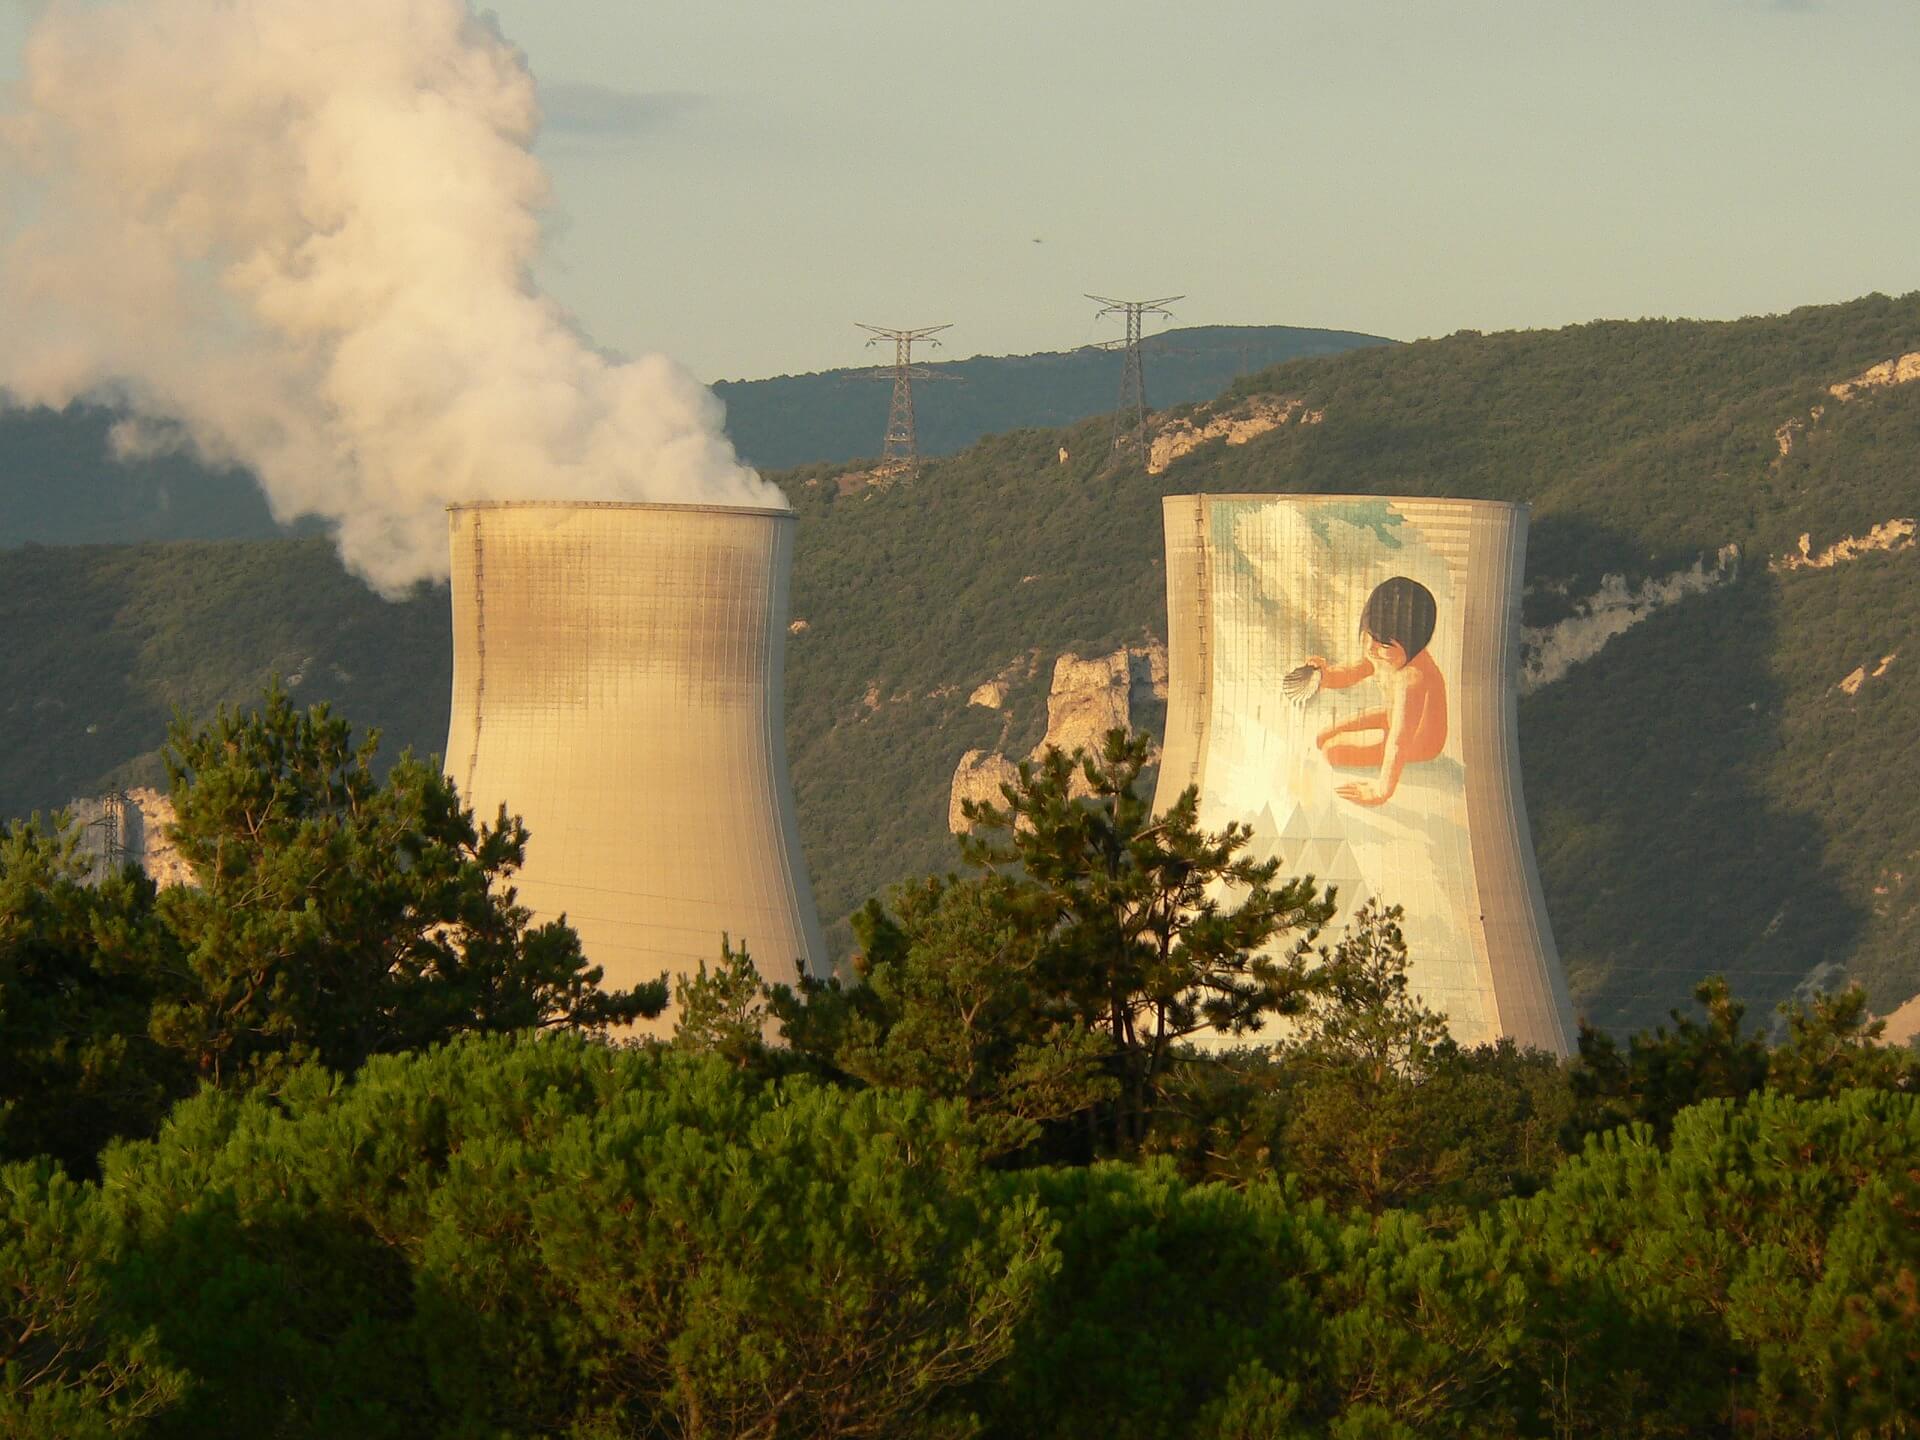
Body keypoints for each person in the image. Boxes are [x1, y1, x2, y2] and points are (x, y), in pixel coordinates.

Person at [1304, 576, 1448, 807]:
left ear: (1414, 645)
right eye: (1368, 635)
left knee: (1332, 752)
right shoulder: (1385, 655)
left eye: (1384, 644)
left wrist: (1381, 790)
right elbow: (1353, 672)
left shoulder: (1411, 680)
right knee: (1322, 737)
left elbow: (1399, 742)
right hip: (1394, 717)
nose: (1371, 647)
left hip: (1417, 741)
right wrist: (1325, 676)